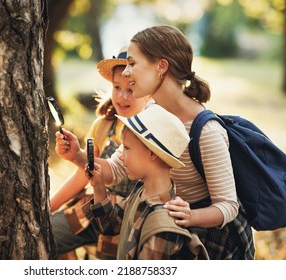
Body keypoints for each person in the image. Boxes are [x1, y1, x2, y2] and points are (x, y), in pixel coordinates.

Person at [55, 25, 255, 259]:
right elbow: (118, 168)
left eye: (132, 63)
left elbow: (228, 206)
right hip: (166, 229)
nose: (126, 73)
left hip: (211, 243)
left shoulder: (206, 130)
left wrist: (190, 215)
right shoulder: (150, 114)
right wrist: (78, 156)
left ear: (161, 67)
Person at [50, 47, 151, 259]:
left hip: (128, 222)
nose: (122, 97)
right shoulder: (103, 126)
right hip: (89, 210)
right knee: (46, 235)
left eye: (131, 89)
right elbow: (81, 175)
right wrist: (49, 207)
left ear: (148, 91)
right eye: (116, 87)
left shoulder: (152, 130)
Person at [82, 103, 209, 260]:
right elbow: (110, 226)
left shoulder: (163, 226)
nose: (121, 157)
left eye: (127, 148)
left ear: (151, 153)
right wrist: (99, 187)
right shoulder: (142, 191)